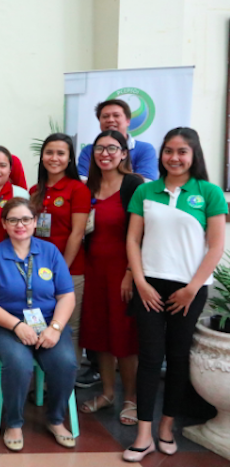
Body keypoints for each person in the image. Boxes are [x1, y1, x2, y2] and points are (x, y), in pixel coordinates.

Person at [123, 127, 226, 462]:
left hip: (190, 288)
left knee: (178, 357)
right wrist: (140, 282)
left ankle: (166, 428)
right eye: (169, 150)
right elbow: (133, 240)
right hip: (149, 285)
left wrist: (192, 288)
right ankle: (143, 434)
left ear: (193, 155)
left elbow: (216, 245)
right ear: (161, 154)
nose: (175, 157)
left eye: (182, 151)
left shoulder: (209, 192)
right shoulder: (146, 190)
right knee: (150, 358)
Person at [0, 198, 77, 451]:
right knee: (19, 364)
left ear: (35, 222)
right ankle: (13, 422)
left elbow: (66, 295)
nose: (20, 225)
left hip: (47, 323)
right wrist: (16, 326)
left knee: (66, 362)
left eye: (26, 219)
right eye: (13, 220)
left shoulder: (50, 251)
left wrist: (55, 328)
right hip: (5, 325)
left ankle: (55, 419)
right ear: (4, 223)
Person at [78, 131, 143, 425]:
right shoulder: (88, 186)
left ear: (124, 153)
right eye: (99, 148)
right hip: (92, 270)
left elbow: (143, 233)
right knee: (99, 334)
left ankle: (130, 397)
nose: (105, 153)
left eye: (112, 148)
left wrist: (132, 272)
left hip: (123, 271)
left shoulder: (133, 185)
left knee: (124, 336)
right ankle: (107, 393)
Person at [30, 134, 90, 362]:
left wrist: (61, 270)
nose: (54, 158)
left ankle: (66, 387)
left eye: (60, 153)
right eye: (49, 152)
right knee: (38, 324)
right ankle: (41, 382)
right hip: (36, 270)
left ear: (69, 159)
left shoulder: (78, 189)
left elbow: (77, 233)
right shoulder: (35, 190)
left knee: (67, 328)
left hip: (70, 270)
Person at [77, 99, 158, 181]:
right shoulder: (88, 150)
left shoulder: (145, 149)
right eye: (105, 116)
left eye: (116, 115)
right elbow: (81, 181)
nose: (110, 120)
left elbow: (146, 184)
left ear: (128, 121)